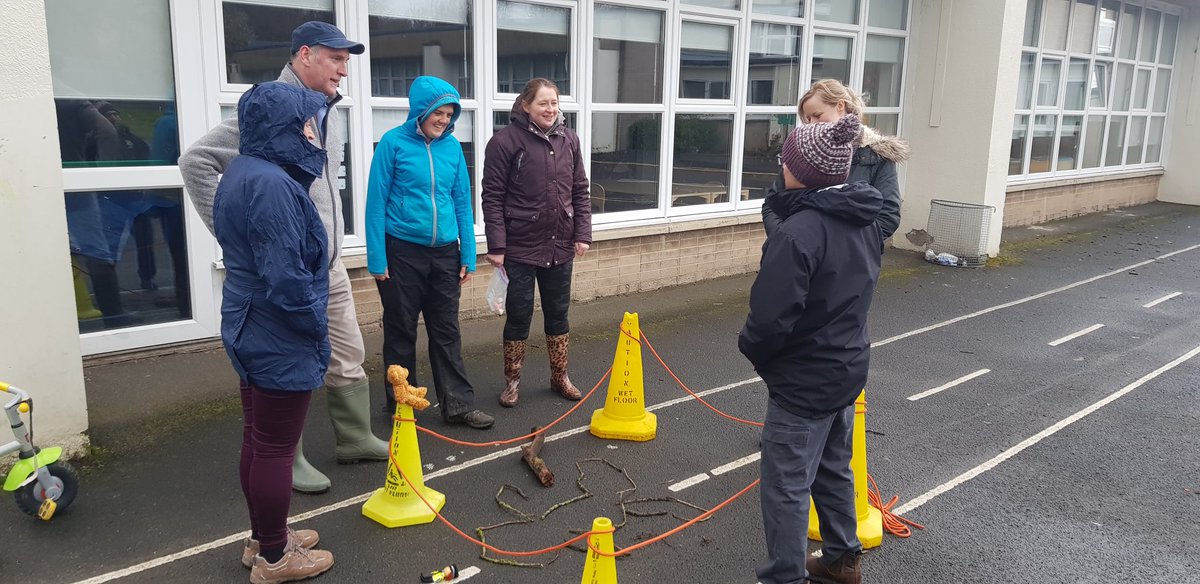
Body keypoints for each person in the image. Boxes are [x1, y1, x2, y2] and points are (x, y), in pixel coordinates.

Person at [181, 21, 388, 494]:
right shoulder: (274, 106)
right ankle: (286, 458)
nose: (344, 71)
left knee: (348, 350)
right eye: (336, 60)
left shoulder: (325, 109)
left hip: (327, 264)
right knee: (288, 367)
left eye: (346, 62)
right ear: (306, 54)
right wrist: (240, 237)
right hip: (286, 271)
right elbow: (195, 163)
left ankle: (354, 438)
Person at [738, 114, 880, 584]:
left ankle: (785, 576)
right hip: (845, 370)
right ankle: (842, 558)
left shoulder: (798, 234)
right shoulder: (863, 221)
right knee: (834, 467)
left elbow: (769, 320)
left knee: (785, 487)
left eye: (786, 160)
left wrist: (756, 353)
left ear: (798, 170)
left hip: (804, 384)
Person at [214, 81, 334, 583]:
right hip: (275, 328)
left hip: (248, 321)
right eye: (307, 123)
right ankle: (274, 559)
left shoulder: (244, 170)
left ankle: (266, 537)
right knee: (275, 448)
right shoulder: (272, 185)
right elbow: (286, 279)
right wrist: (316, 329)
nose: (313, 133)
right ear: (285, 126)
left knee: (259, 439)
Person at [366, 76, 494, 430]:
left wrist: (468, 253)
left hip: (445, 254)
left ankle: (458, 405)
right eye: (438, 112)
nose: (444, 119)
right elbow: (375, 205)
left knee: (447, 330)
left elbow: (461, 203)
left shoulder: (452, 148)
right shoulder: (392, 144)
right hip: (401, 251)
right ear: (421, 110)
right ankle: (400, 406)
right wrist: (377, 259)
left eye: (449, 113)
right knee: (401, 330)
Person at [481, 78, 592, 408]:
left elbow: (580, 191)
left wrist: (582, 233)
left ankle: (560, 378)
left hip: (560, 245)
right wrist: (497, 245)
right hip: (519, 247)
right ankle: (512, 383)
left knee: (558, 314)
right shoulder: (504, 142)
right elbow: (492, 197)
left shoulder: (569, 139)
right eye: (543, 103)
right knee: (519, 316)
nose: (550, 109)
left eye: (554, 102)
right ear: (525, 106)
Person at [762, 79, 909, 243]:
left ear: (840, 106)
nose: (812, 124)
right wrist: (787, 240)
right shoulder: (804, 147)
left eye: (817, 116)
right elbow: (773, 203)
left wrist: (842, 250)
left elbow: (887, 216)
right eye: (808, 119)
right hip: (797, 254)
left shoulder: (877, 155)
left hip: (847, 264)